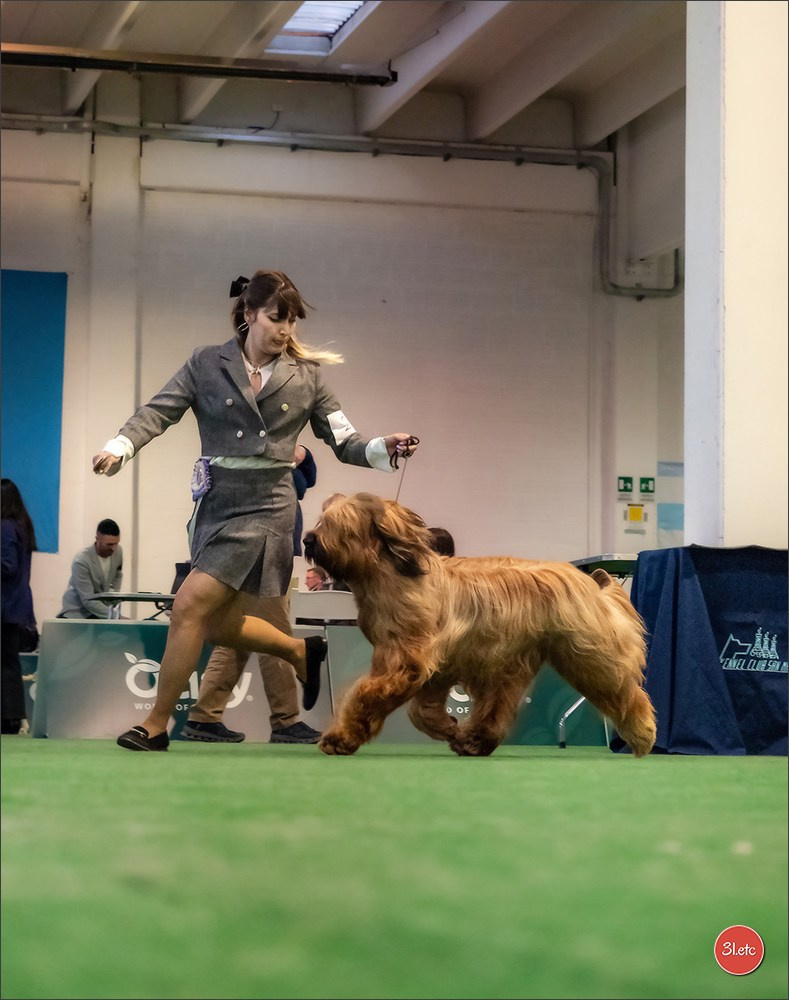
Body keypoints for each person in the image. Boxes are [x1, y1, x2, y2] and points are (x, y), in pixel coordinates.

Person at [93, 268, 419, 751]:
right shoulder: (206, 363)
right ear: (248, 314)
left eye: (292, 321)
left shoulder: (307, 376)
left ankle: (156, 724)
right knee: (212, 623)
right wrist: (120, 446)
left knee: (187, 606)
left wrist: (381, 447)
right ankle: (298, 650)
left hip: (267, 507)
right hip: (213, 505)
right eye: (276, 318)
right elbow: (158, 411)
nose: (286, 330)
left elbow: (345, 440)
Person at [183, 444, 322, 745]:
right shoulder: (254, 448)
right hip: (262, 545)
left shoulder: (275, 448)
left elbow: (307, 479)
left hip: (262, 545)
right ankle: (286, 720)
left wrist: (303, 452)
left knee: (236, 633)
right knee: (277, 634)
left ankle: (204, 716)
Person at [1, 479, 38, 734]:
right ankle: (13, 717)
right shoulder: (21, 526)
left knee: (7, 663)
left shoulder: (5, 527)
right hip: (16, 606)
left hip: (5, 606)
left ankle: (10, 717)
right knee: (9, 663)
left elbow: (7, 565)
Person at [58, 518, 124, 619]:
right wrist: (116, 616)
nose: (113, 548)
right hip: (76, 612)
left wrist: (115, 597)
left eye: (116, 543)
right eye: (109, 544)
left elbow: (118, 574)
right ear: (97, 539)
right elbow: (88, 599)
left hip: (99, 610)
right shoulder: (81, 560)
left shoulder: (118, 552)